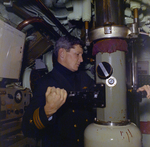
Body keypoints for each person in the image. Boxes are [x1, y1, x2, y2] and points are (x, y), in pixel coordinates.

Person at [22, 35, 96, 147]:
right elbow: (28, 128)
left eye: (81, 55)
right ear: (62, 53)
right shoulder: (45, 83)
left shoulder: (84, 78)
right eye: (77, 54)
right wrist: (47, 111)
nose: (81, 60)